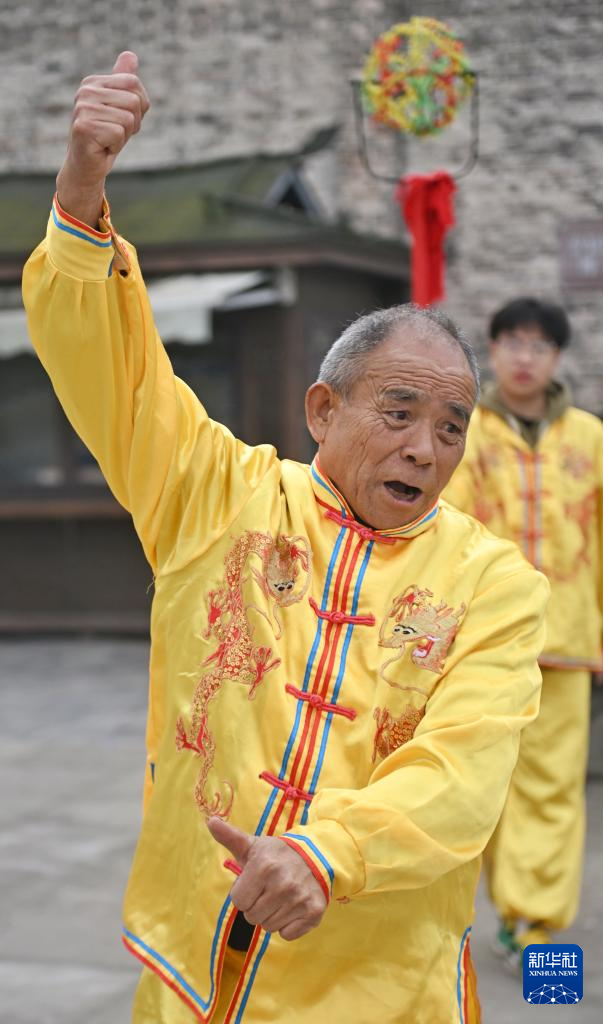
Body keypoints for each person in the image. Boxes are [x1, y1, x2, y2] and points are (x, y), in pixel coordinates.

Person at [22, 53, 549, 1024]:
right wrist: (83, 185)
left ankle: (538, 928)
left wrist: (324, 853)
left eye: (450, 427)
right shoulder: (218, 493)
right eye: (398, 411)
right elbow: (118, 373)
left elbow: (462, 773)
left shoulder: (496, 584)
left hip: (378, 985)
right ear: (321, 408)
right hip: (196, 963)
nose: (425, 449)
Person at [445, 296, 603, 962]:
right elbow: (446, 534)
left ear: (557, 357)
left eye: (539, 346)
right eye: (513, 342)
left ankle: (534, 929)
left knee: (552, 787)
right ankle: (478, 915)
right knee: (478, 782)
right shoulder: (467, 433)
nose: (524, 358)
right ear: (494, 348)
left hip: (566, 641)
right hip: (484, 642)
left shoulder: (590, 438)